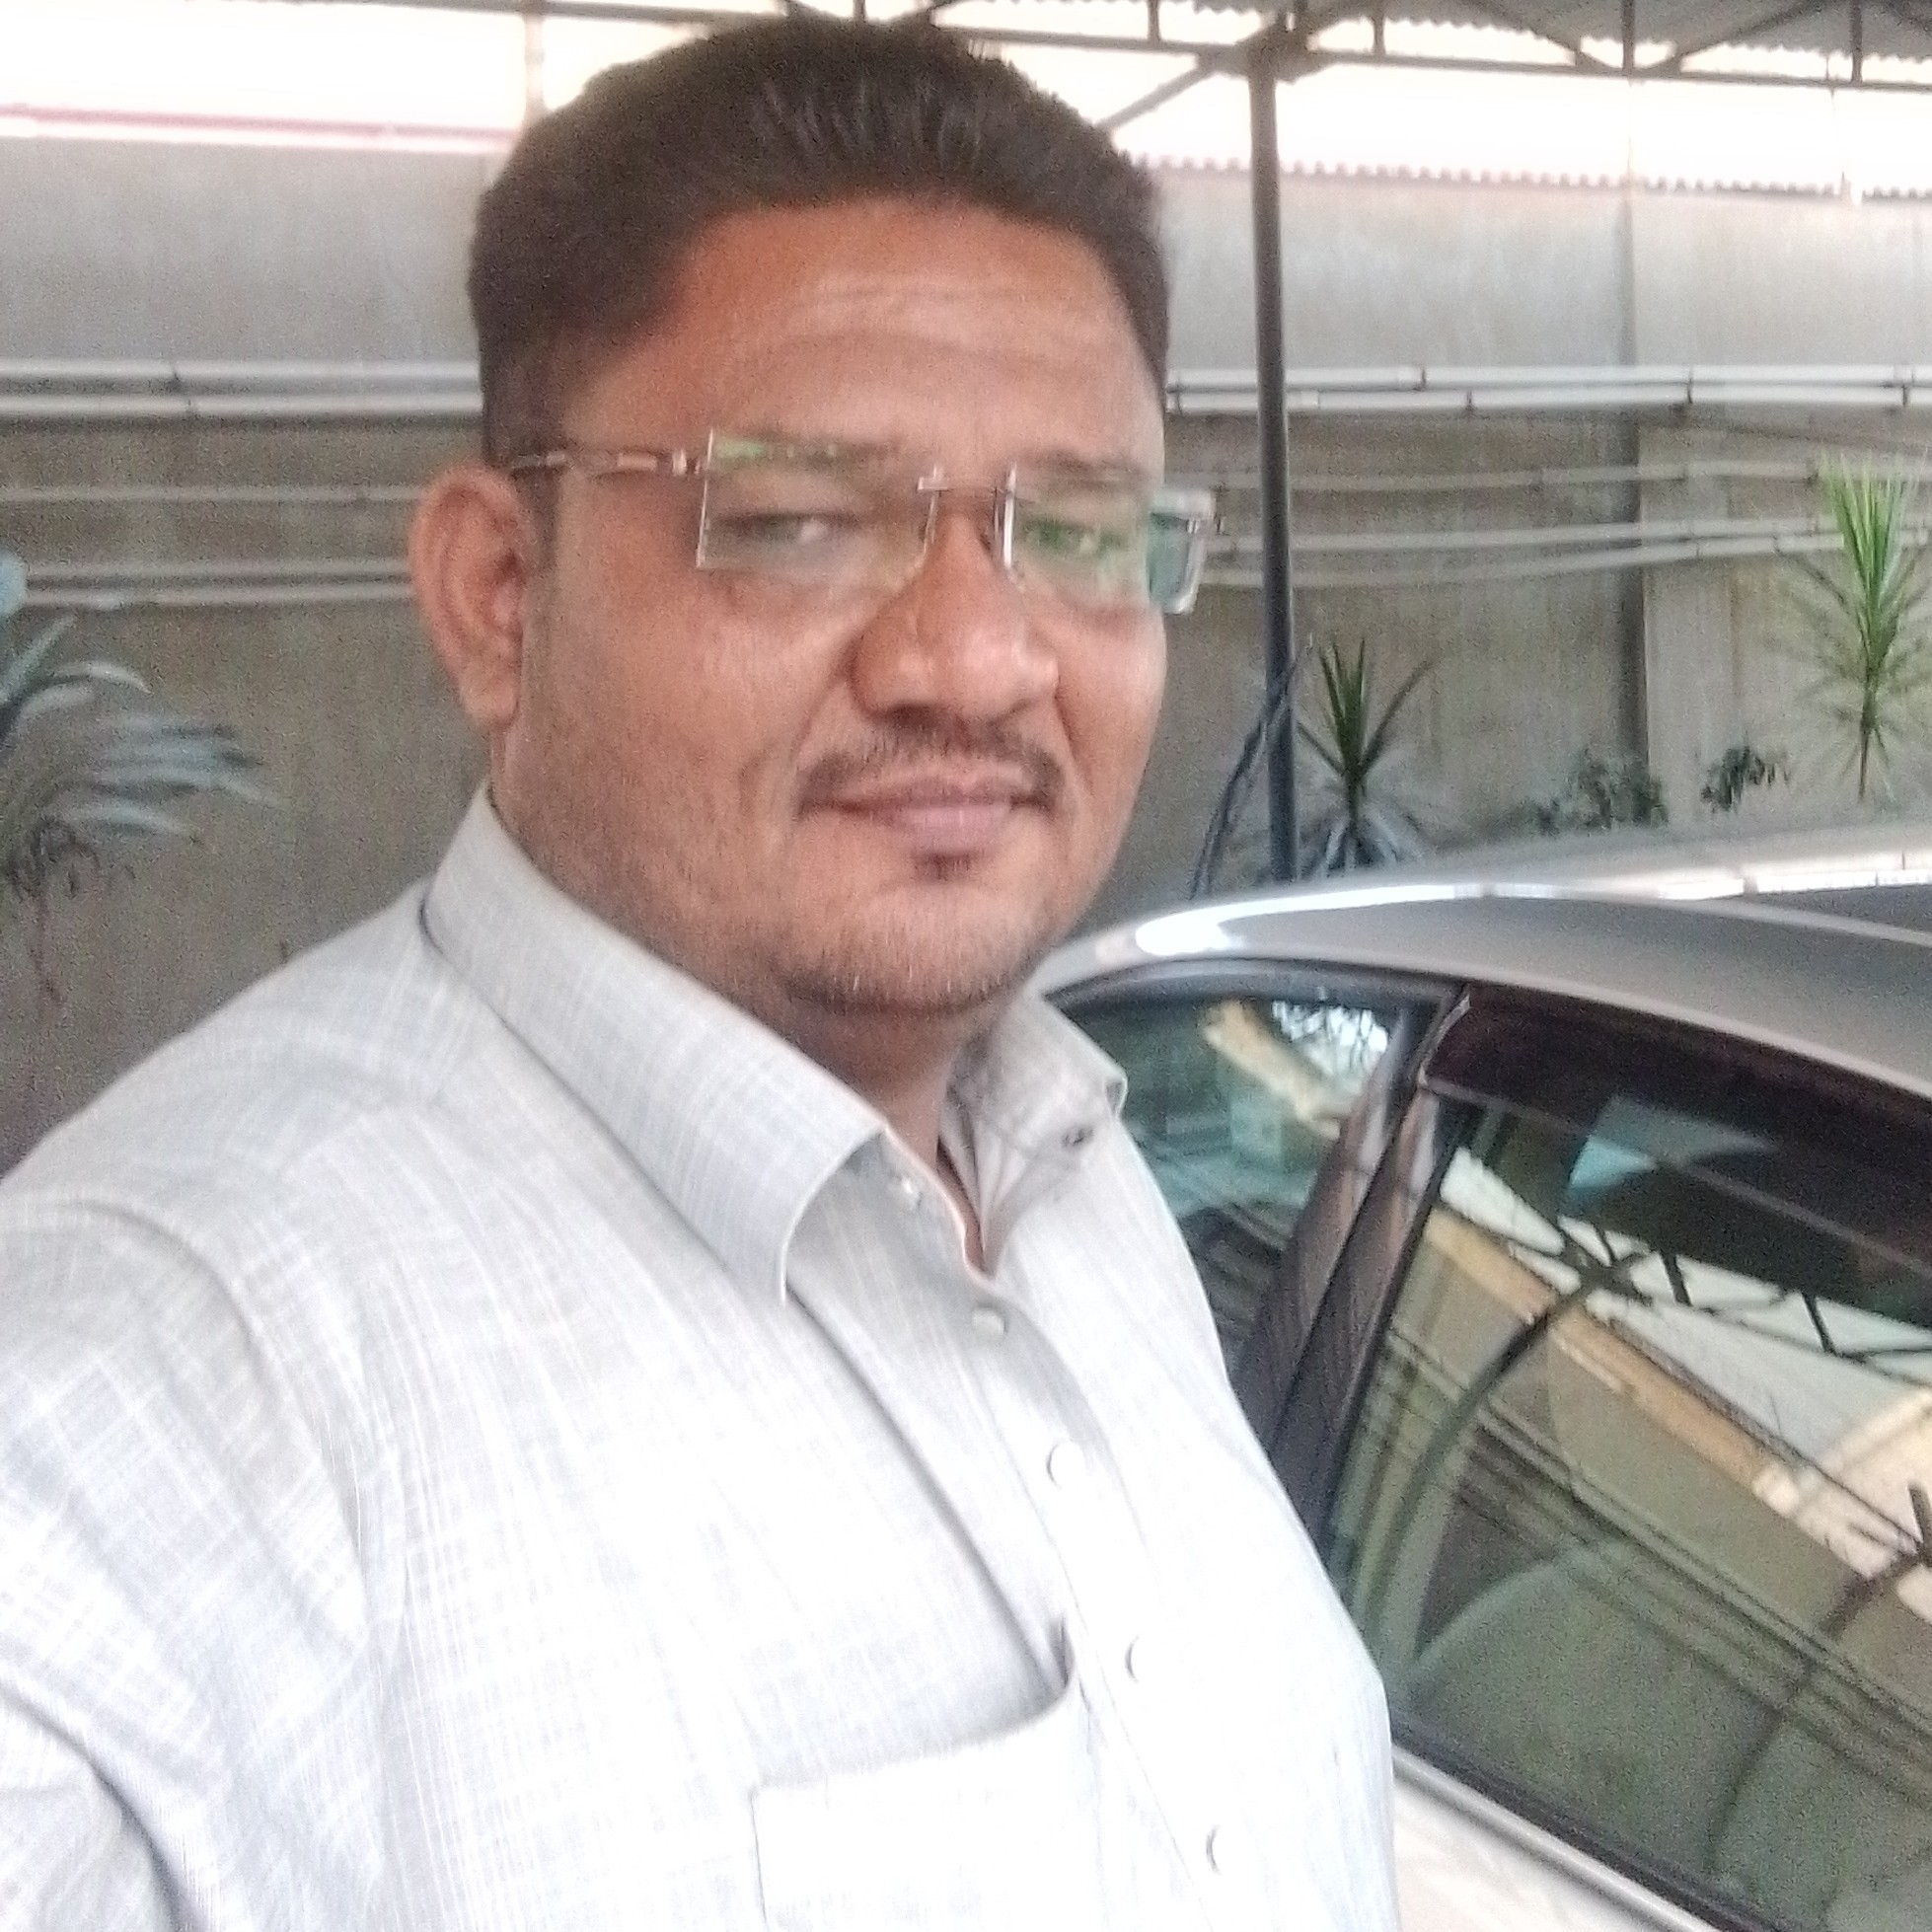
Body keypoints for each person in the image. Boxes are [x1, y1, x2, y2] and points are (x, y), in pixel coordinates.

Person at [0, 18, 1399, 1930]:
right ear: (500, 595)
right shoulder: (160, 1379)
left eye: (1076, 533)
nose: (976, 657)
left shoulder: (1080, 1177)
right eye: (799, 519)